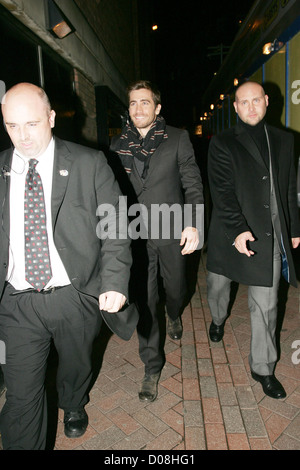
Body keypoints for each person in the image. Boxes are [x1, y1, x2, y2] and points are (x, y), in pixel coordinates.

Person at [0, 82, 134, 449]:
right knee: (21, 396)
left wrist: (116, 281)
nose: (22, 136)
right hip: (16, 302)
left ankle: (73, 403)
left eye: (31, 124)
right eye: (12, 126)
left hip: (74, 294)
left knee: (75, 364)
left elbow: (116, 227)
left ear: (51, 117)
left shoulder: (89, 163)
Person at [110, 80, 204, 402]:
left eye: (145, 103)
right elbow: (112, 193)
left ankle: (175, 312)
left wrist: (193, 224)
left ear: (157, 107)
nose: (138, 109)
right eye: (133, 103)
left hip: (172, 230)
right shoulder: (116, 145)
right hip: (136, 237)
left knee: (176, 289)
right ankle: (152, 366)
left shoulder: (177, 138)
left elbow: (192, 184)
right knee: (146, 302)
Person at [206, 81, 300, 399]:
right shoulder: (222, 142)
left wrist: (295, 228)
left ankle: (263, 367)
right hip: (230, 233)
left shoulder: (285, 140)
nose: (250, 107)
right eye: (243, 102)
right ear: (235, 107)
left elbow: (288, 189)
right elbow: (221, 191)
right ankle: (218, 318)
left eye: (255, 100)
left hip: (269, 235)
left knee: (267, 305)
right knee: (219, 287)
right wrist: (237, 229)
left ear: (266, 101)